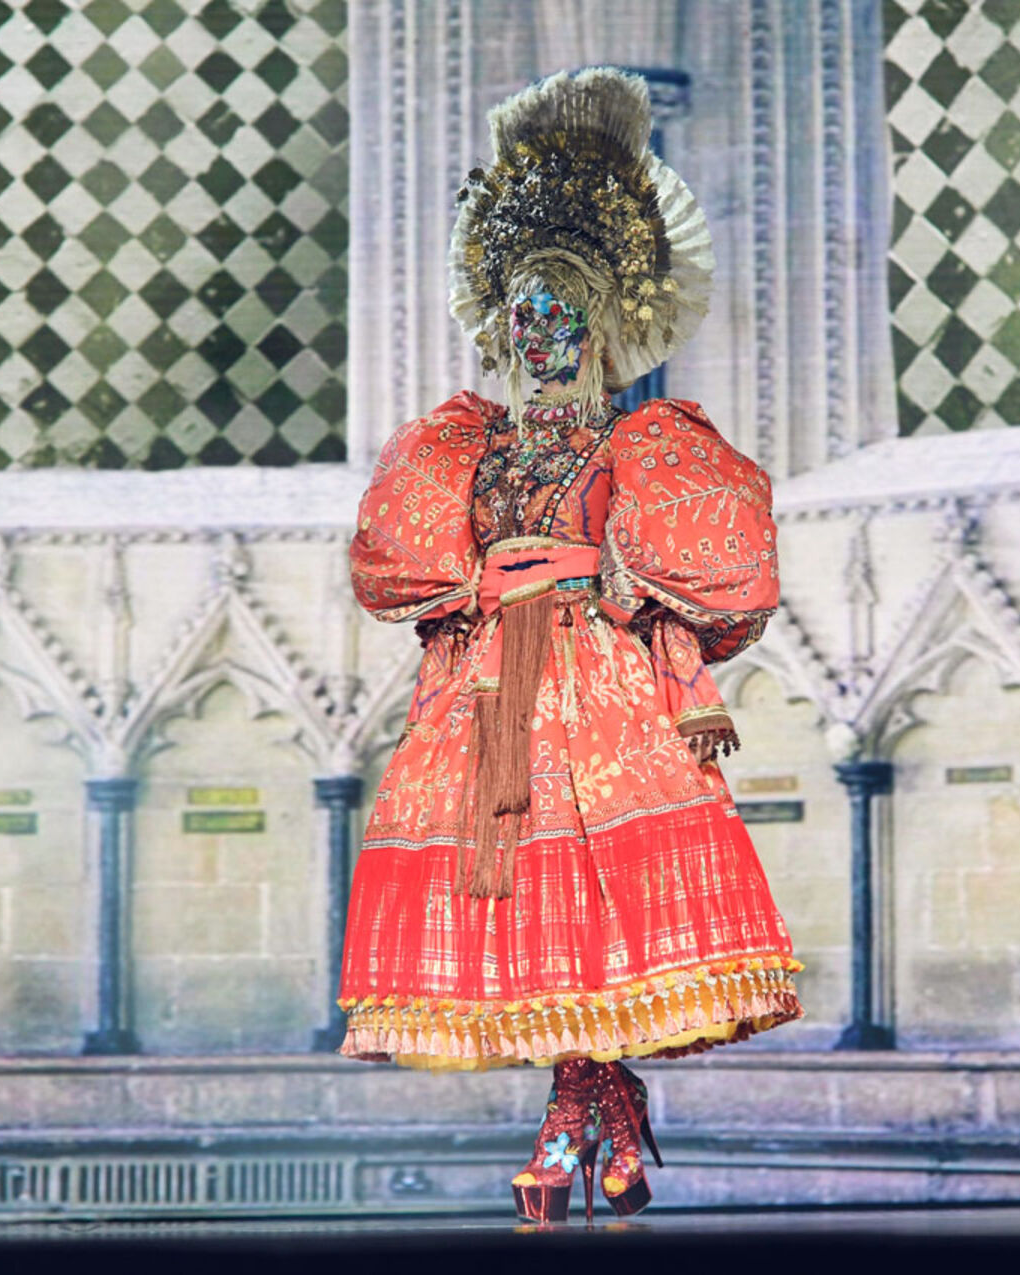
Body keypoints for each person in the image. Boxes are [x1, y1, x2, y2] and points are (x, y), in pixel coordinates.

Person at [338, 66, 802, 1224]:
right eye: (525, 315)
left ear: (597, 327)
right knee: (522, 912)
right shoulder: (464, 444)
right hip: (488, 689)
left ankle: (572, 1122)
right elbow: (404, 573)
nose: (539, 336)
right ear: (502, 326)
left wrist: (628, 609)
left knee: (591, 906)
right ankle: (604, 1107)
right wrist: (470, 584)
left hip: (598, 688)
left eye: (561, 316)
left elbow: (696, 575)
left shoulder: (645, 442)